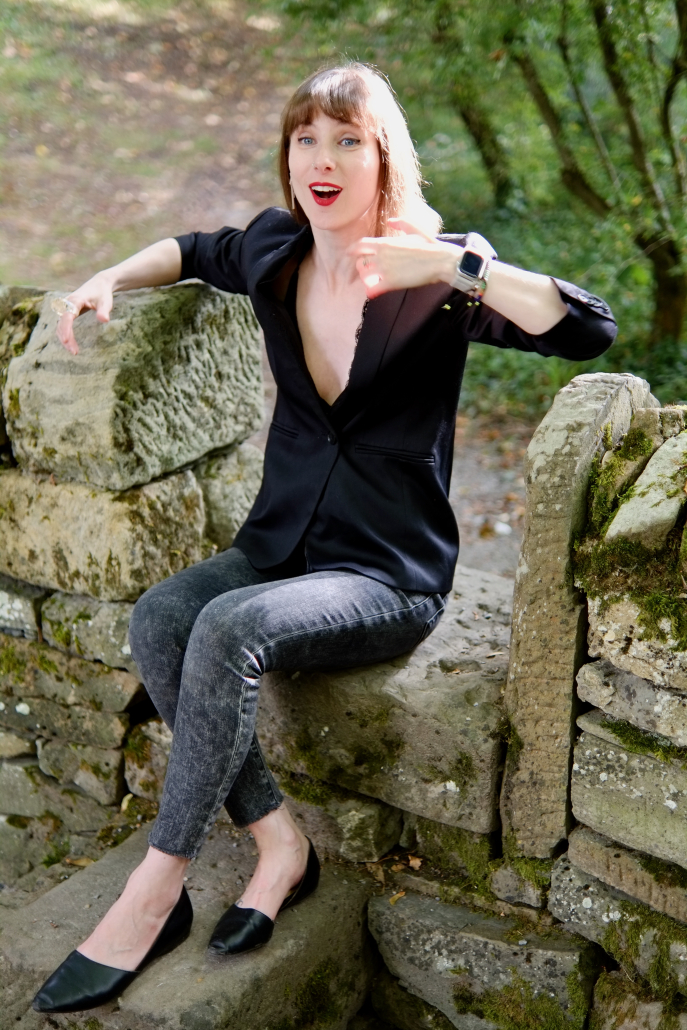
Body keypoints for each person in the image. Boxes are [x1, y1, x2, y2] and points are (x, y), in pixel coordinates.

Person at [33, 63, 616, 1014]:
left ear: (384, 157)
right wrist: (107, 277)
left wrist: (457, 268)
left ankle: (157, 887)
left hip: (387, 573)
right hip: (282, 545)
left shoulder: (439, 274)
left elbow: (587, 330)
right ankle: (278, 844)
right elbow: (191, 249)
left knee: (228, 629)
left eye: (348, 140)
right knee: (161, 618)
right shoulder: (277, 250)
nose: (323, 160)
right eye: (306, 138)